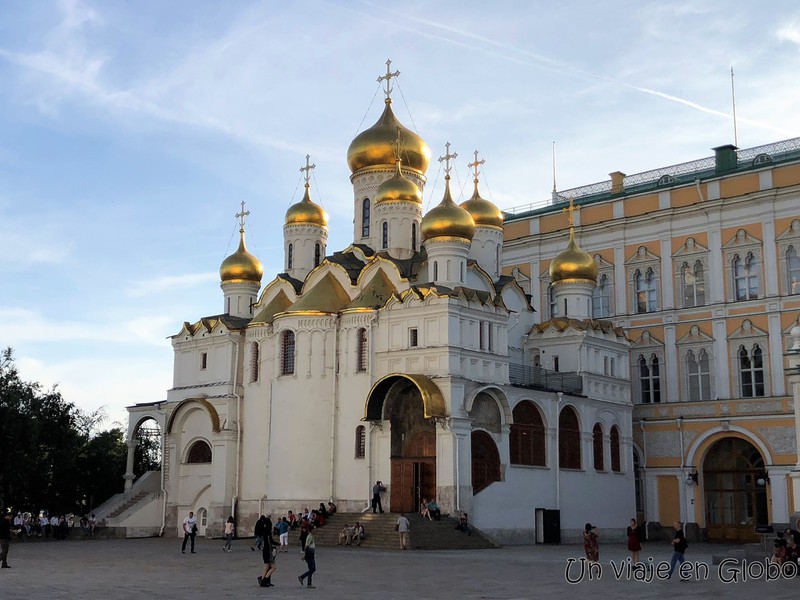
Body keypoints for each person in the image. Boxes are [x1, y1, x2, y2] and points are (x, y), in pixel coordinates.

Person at [258, 517, 278, 587]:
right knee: (273, 567)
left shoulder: (264, 532)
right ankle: (265, 579)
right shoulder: (268, 534)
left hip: (264, 550)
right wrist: (279, 543)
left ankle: (262, 581)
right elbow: (271, 542)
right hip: (268, 551)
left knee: (266, 566)